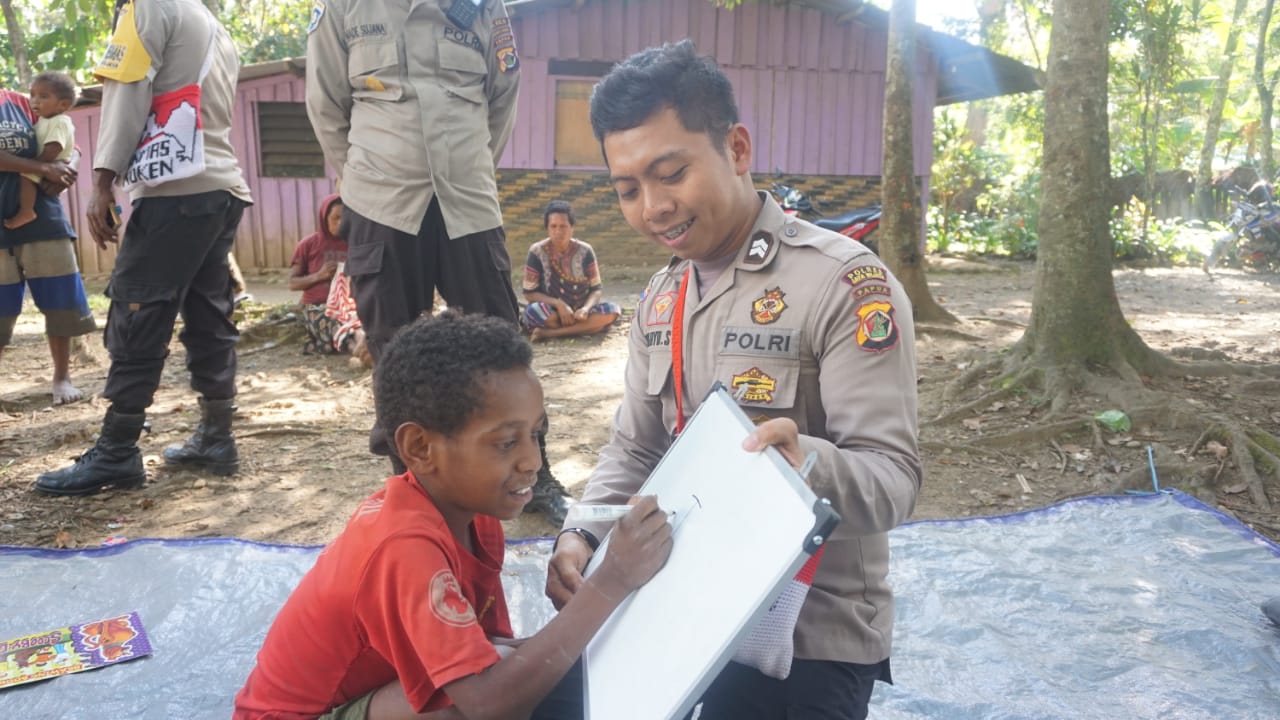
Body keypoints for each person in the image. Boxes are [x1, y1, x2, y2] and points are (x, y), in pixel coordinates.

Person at [543, 41, 921, 720]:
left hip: (805, 634)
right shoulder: (660, 297)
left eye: (671, 174)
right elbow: (635, 447)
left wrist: (806, 465)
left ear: (737, 149)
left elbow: (893, 480)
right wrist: (583, 533)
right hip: (677, 603)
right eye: (627, 190)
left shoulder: (842, 283)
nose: (653, 207)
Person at [233, 312, 672, 720]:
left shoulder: (475, 517)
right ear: (420, 448)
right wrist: (610, 581)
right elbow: (487, 704)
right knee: (455, 709)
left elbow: (490, 651)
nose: (532, 461)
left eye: (536, 434)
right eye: (506, 443)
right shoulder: (404, 547)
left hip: (368, 695)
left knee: (514, 664)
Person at [305, 0, 571, 523]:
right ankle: (411, 490)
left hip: (467, 200)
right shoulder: (342, 7)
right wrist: (363, 181)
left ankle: (531, 473)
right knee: (393, 349)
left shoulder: (485, 7)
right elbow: (326, 103)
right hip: (382, 201)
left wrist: (468, 166)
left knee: (502, 342)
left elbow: (502, 97)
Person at [35, 0, 253, 495]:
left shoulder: (149, 5)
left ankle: (117, 451)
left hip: (177, 193)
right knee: (209, 314)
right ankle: (216, 437)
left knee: (137, 310)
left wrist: (102, 181)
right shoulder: (209, 20)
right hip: (220, 188)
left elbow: (127, 92)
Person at [0, 87, 97, 405]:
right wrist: (43, 168)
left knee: (60, 303)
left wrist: (69, 167)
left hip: (44, 220)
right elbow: (43, 163)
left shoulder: (22, 102)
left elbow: (67, 142)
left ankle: (62, 379)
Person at [521, 200, 622, 342]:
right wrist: (559, 305)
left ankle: (550, 333)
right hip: (552, 313)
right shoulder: (536, 251)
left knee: (612, 310)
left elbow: (596, 290)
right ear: (547, 228)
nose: (558, 231)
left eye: (563, 226)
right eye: (553, 226)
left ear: (572, 227)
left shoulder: (586, 251)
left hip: (580, 314)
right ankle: (584, 328)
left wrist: (586, 309)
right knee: (535, 311)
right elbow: (529, 293)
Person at [289, 194, 364, 356]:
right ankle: (357, 349)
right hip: (317, 307)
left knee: (358, 320)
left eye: (344, 218)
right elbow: (292, 283)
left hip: (350, 306)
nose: (340, 223)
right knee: (333, 321)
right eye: (335, 218)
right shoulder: (308, 244)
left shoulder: (357, 244)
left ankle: (360, 344)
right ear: (324, 218)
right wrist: (319, 276)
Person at [4, 72, 77, 231]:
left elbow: (68, 147)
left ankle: (26, 211)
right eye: (33, 95)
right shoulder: (43, 117)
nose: (35, 100)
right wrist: (42, 167)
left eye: (43, 96)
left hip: (47, 223)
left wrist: (67, 172)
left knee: (27, 177)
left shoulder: (24, 105)